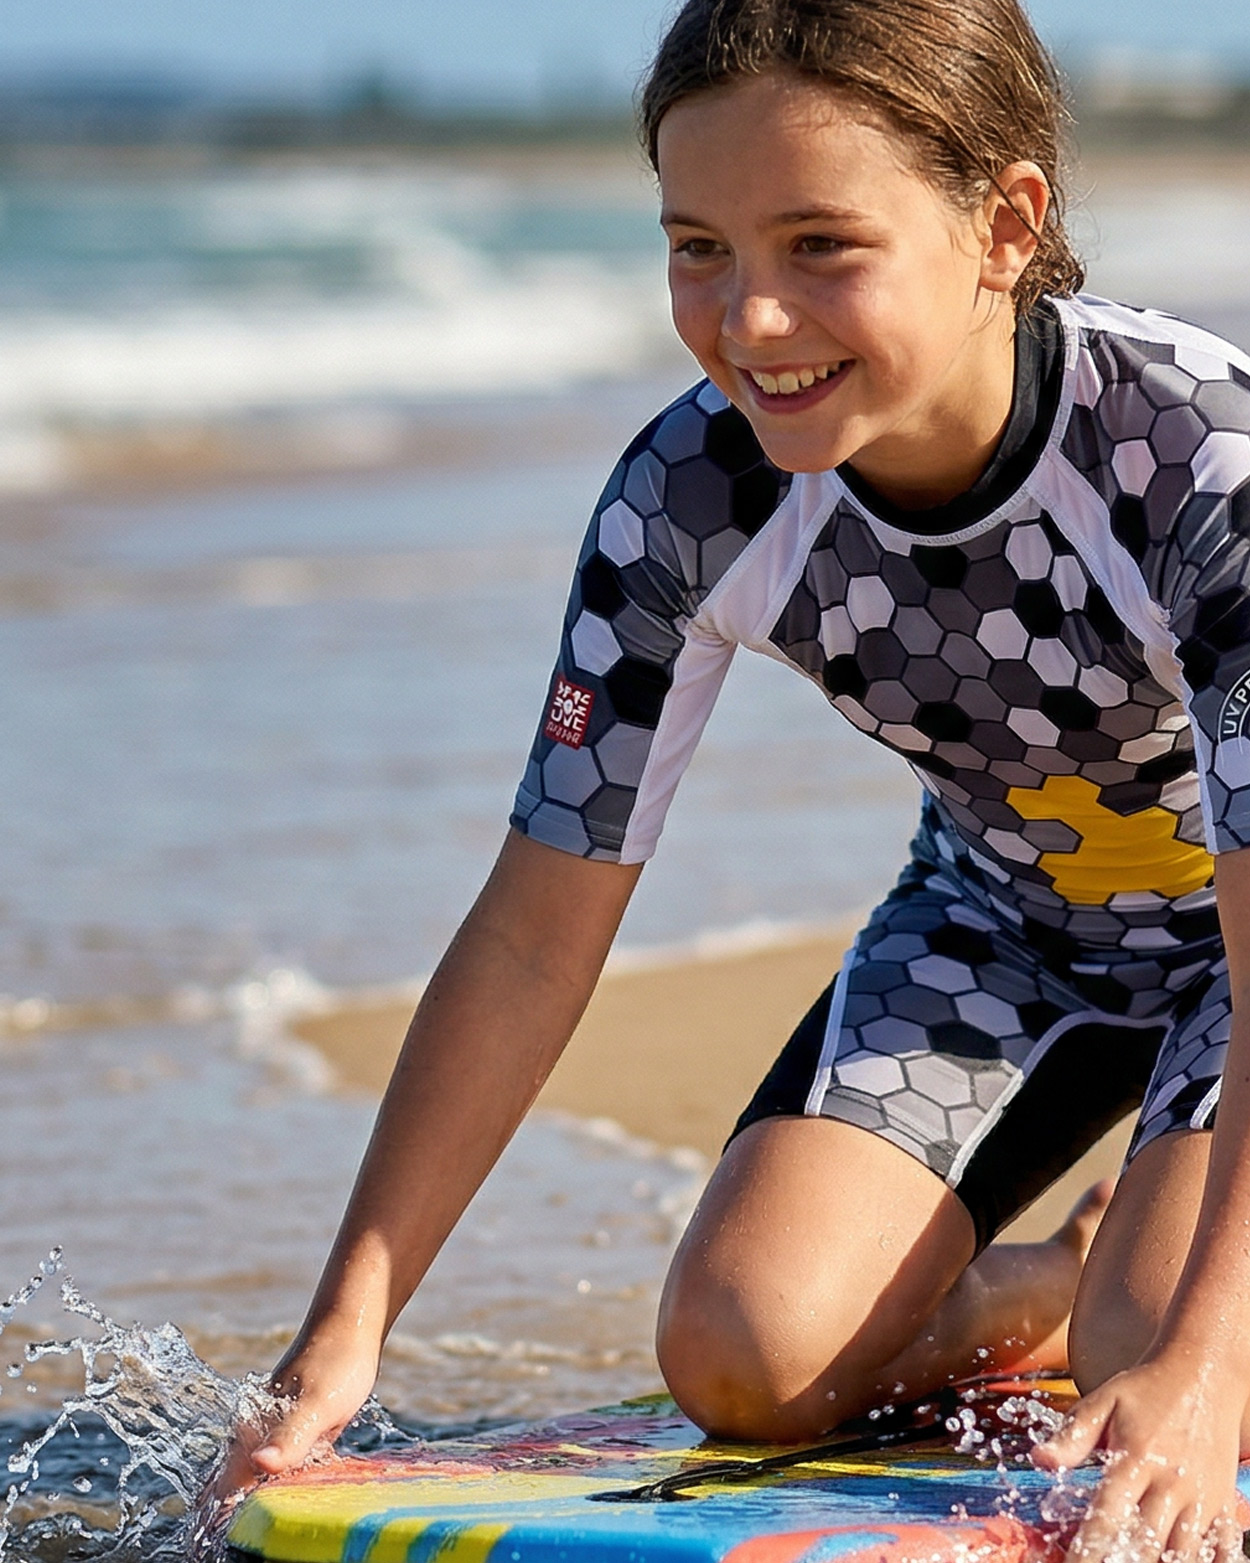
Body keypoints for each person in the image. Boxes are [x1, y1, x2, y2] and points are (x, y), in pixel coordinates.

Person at [223, 2, 1250, 1558]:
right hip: (1004, 927)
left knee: (1161, 1355)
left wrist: (1196, 1368)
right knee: (740, 1362)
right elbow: (530, 931)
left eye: (819, 244)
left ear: (1004, 223)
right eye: (696, 246)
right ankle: (1055, 1281)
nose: (749, 322)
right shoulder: (691, 498)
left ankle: (1128, 1295)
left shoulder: (1191, 468)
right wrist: (345, 1329)